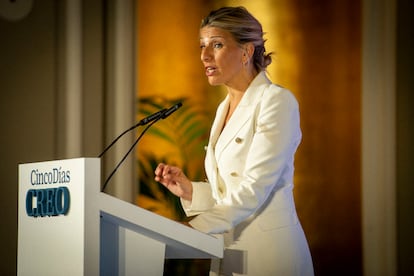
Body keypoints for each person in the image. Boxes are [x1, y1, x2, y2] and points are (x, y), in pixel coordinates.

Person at [154, 6, 314, 276]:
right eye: (202, 46)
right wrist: (189, 191)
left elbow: (254, 188)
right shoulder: (223, 108)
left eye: (216, 45)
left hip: (271, 257)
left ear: (246, 51)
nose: (204, 56)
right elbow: (228, 191)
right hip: (229, 255)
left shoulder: (276, 101)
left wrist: (192, 229)